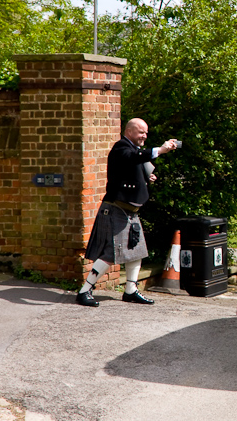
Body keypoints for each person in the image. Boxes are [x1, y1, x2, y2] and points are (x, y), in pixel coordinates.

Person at [77, 118, 179, 307]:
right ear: (130, 131)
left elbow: (133, 165)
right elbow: (132, 158)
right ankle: (84, 291)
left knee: (137, 252)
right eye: (141, 132)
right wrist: (161, 150)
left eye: (146, 133)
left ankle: (131, 290)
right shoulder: (121, 148)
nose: (144, 136)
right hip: (116, 209)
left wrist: (146, 176)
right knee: (109, 253)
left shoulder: (133, 151)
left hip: (130, 211)